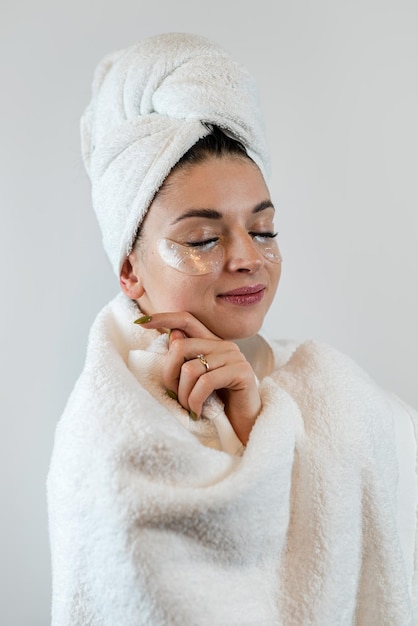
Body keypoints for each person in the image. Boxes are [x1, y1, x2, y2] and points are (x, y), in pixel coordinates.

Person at [47, 33, 417, 625]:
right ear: (129, 271)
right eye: (201, 239)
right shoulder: (112, 437)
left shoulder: (320, 379)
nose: (248, 257)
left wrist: (255, 424)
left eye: (264, 230)